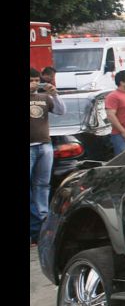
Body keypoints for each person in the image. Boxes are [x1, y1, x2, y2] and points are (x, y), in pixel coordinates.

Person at [30, 67, 66, 245]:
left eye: (37, 80)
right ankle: (34, 227)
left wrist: (55, 95)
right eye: (31, 81)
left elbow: (61, 111)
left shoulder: (44, 98)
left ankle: (42, 223)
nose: (34, 84)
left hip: (44, 145)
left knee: (43, 185)